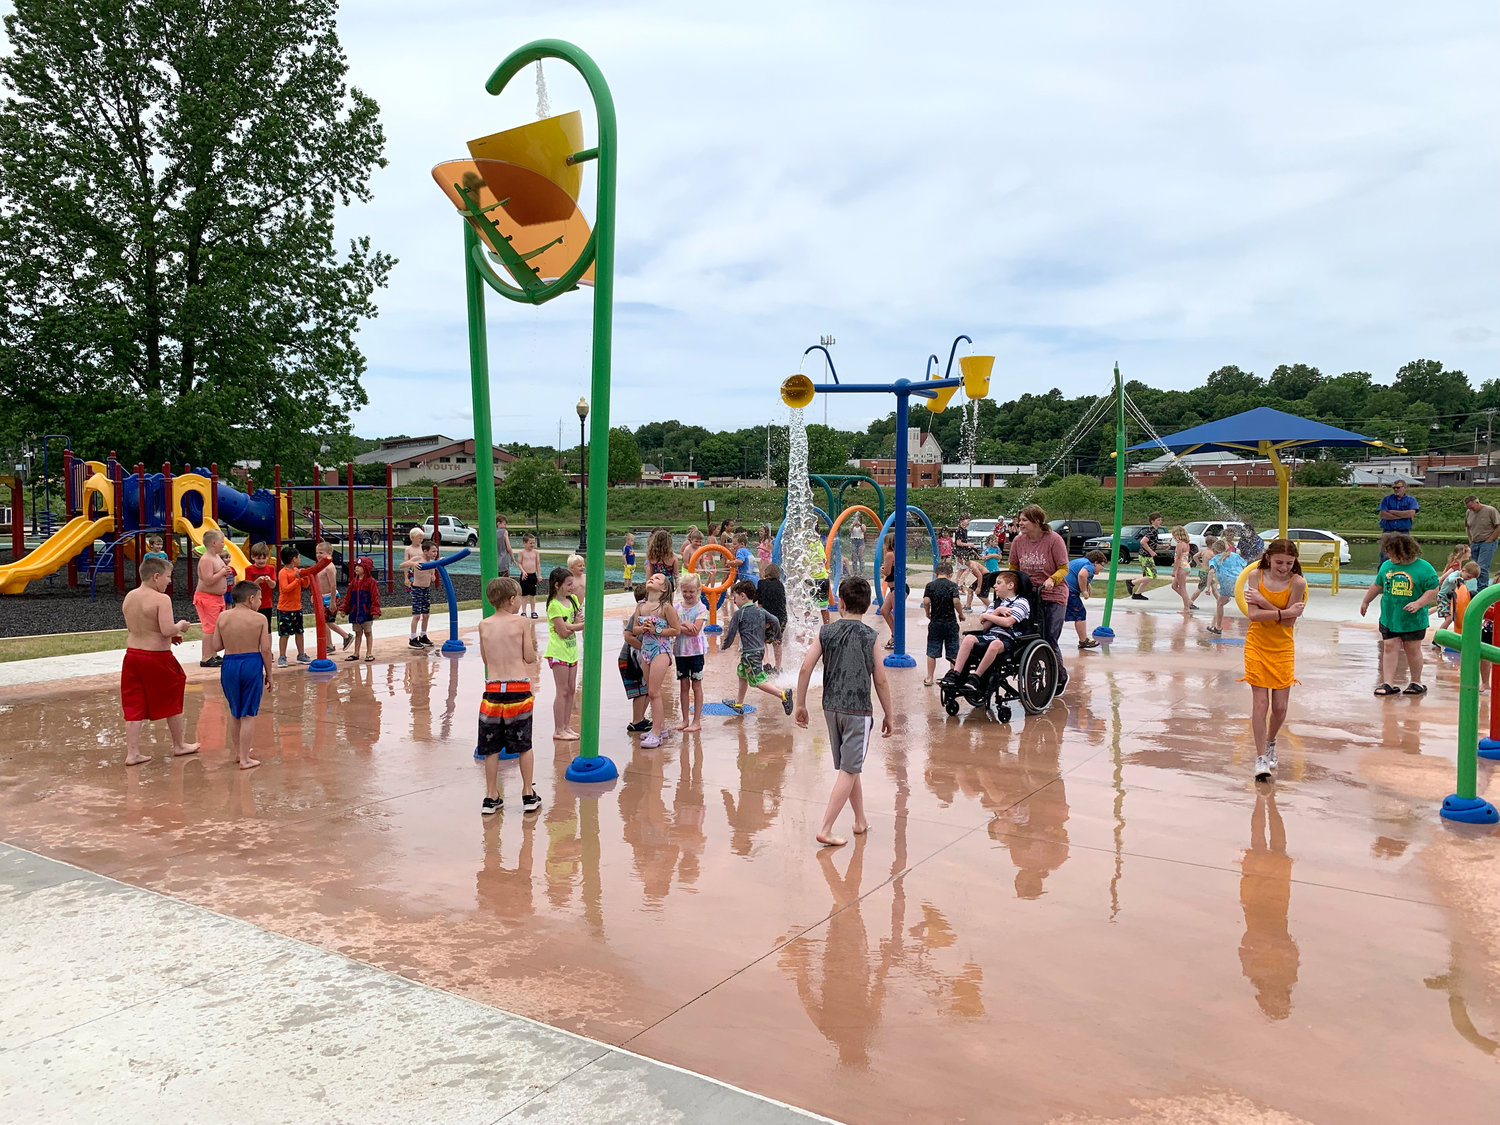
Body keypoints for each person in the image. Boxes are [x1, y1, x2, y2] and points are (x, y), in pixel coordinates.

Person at [794, 575, 893, 848]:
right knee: (849, 769)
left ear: (841, 602)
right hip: (858, 711)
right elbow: (881, 679)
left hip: (831, 709)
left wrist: (800, 703)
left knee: (850, 767)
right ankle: (825, 828)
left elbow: (805, 667)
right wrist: (889, 714)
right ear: (866, 605)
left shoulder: (826, 632)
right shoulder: (870, 636)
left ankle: (860, 820)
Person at [120, 555, 196, 766]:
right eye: (167, 577)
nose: (169, 582)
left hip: (133, 655)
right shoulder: (162, 599)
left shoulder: (130, 596)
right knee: (172, 693)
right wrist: (179, 626)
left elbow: (137, 628)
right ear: (156, 577)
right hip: (157, 658)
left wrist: (169, 636)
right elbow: (165, 629)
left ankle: (132, 753)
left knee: (133, 702)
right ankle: (179, 745)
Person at [1242, 539, 1307, 781]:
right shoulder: (1255, 576)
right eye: (1279, 562)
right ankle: (1260, 758)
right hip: (1257, 644)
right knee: (1260, 704)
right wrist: (1282, 612)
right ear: (1269, 557)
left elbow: (1289, 622)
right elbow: (1253, 615)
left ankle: (1270, 742)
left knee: (1280, 708)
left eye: (1289, 563)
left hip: (1282, 647)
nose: (1284, 567)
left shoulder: (1297, 582)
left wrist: (1267, 603)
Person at [476, 576, 541, 815]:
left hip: (493, 690)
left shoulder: (484, 624)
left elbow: (485, 659)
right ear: (512, 599)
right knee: (524, 744)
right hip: (518, 689)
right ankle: (527, 793)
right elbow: (529, 657)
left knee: (490, 746)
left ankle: (491, 796)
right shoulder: (521, 622)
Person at [1361, 532, 1438, 698]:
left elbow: (1433, 588)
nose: (1388, 556)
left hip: (1413, 620)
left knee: (1412, 649)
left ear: (1404, 551)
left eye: (1391, 552)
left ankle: (1416, 681)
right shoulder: (1387, 566)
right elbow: (1377, 585)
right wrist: (1366, 601)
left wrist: (1419, 603)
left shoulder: (1424, 568)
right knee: (1389, 647)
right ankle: (1388, 682)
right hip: (1390, 616)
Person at [208, 580, 273, 770]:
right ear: (251, 599)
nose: (260, 602)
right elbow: (266, 650)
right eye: (260, 599)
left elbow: (216, 646)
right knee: (249, 714)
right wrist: (269, 674)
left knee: (235, 712)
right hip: (251, 663)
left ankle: (238, 753)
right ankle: (245, 759)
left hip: (229, 664)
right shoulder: (259, 619)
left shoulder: (222, 617)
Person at [1008, 504, 1071, 692]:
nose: (1020, 524)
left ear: (1037, 521)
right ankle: (1031, 670)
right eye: (1019, 520)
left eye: (1024, 520)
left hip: (1054, 594)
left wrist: (1052, 579)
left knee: (1049, 637)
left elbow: (1064, 568)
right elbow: (1014, 568)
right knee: (1027, 635)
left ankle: (1059, 676)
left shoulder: (1054, 540)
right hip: (1029, 594)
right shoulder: (1018, 542)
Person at [944, 569, 1030, 688]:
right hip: (991, 635)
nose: (994, 586)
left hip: (1011, 639)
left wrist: (986, 616)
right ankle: (955, 674)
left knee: (995, 644)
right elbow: (985, 625)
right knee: (969, 638)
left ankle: (976, 677)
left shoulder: (1022, 602)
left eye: (999, 583)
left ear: (1010, 585)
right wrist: (997, 611)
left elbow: (1008, 622)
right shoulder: (995, 604)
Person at [720, 579, 793, 716]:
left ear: (742, 596)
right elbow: (776, 620)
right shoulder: (761, 611)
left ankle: (782, 694)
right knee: (742, 674)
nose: (734, 602)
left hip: (749, 653)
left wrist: (725, 645)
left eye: (734, 598)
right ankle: (738, 704)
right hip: (759, 651)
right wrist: (777, 636)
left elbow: (731, 633)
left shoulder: (739, 613)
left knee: (757, 681)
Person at [633, 571, 682, 748]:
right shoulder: (641, 606)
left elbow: (676, 630)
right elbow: (634, 629)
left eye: (657, 579)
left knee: (654, 692)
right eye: (651, 577)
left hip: (660, 650)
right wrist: (644, 628)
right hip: (645, 650)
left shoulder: (666, 608)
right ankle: (658, 727)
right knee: (650, 690)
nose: (651, 579)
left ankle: (656, 732)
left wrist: (657, 631)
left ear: (663, 588)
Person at [545, 566, 581, 741]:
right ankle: (558, 729)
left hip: (571, 651)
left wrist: (572, 625)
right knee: (562, 690)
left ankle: (566, 726)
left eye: (572, 584)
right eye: (568, 584)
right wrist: (577, 626)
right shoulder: (553, 606)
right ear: (557, 585)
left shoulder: (573, 599)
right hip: (558, 651)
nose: (572, 587)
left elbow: (575, 622)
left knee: (571, 689)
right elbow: (562, 632)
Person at [194, 529, 235, 667]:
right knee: (209, 628)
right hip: (207, 598)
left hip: (218, 597)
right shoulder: (206, 559)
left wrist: (226, 571)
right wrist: (222, 572)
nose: (224, 544)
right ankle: (206, 657)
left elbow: (219, 572)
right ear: (213, 543)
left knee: (216, 627)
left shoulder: (217, 557)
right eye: (222, 541)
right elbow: (208, 580)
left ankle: (213, 654)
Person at [674, 573, 709, 733]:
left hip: (696, 652)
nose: (688, 595)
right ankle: (685, 719)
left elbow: (696, 631)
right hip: (680, 652)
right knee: (683, 685)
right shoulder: (676, 608)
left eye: (691, 591)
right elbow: (673, 629)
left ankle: (696, 721)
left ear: (698, 591)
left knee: (696, 685)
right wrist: (686, 624)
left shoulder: (701, 608)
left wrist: (680, 626)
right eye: (685, 591)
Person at [921, 560, 965, 685]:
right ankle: (954, 677)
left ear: (935, 574)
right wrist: (961, 614)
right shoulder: (952, 585)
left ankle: (929, 677)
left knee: (932, 651)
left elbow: (926, 601)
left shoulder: (930, 585)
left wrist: (927, 613)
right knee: (954, 651)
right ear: (950, 574)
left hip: (936, 623)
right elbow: (956, 602)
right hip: (950, 623)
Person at [620, 583, 651, 735]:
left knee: (647, 689)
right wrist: (643, 648)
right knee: (639, 691)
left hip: (641, 658)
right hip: (631, 659)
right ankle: (636, 721)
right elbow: (628, 636)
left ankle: (640, 718)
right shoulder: (638, 615)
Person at [339, 555, 382, 662]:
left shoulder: (371, 582)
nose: (356, 568)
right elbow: (348, 596)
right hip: (355, 613)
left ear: (366, 568)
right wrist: (344, 608)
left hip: (366, 613)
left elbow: (375, 597)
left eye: (359, 566)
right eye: (356, 566)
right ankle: (356, 653)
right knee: (358, 633)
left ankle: (369, 653)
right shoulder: (353, 582)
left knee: (368, 632)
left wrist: (375, 611)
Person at [314, 540, 354, 652]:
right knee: (324, 622)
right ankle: (329, 645)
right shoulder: (319, 566)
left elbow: (333, 585)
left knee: (329, 622)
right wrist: (315, 595)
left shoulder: (329, 567)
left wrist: (332, 601)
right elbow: (318, 583)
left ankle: (346, 636)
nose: (318, 555)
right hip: (322, 597)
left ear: (329, 554)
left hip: (330, 597)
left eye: (321, 553)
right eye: (317, 552)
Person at [275, 545, 311, 666]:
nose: (299, 559)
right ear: (293, 559)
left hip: (297, 608)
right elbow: (285, 589)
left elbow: (305, 585)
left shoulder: (296, 571)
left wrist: (305, 576)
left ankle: (301, 654)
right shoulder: (283, 573)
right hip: (285, 609)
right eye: (298, 557)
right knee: (284, 634)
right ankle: (282, 656)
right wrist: (296, 580)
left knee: (299, 632)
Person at [401, 527, 435, 648]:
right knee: (417, 613)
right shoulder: (409, 549)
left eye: (422, 538)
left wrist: (433, 574)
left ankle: (423, 635)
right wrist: (406, 577)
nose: (421, 540)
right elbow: (404, 564)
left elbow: (431, 563)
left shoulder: (424, 549)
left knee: (426, 613)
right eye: (419, 537)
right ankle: (413, 637)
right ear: (412, 538)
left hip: (425, 580)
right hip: (414, 576)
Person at [1206, 538, 1246, 637]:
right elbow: (1245, 567)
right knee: (1250, 604)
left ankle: (1218, 627)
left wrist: (1207, 587)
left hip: (1227, 584)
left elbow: (1211, 572)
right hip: (1240, 583)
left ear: (1214, 551)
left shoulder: (1215, 559)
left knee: (1220, 603)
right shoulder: (1236, 556)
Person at [1066, 550, 1107, 648]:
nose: (1102, 568)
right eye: (1102, 565)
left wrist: (1087, 585)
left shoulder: (1082, 562)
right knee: (1080, 613)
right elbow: (1082, 574)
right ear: (1096, 562)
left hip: (1064, 589)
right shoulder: (1089, 565)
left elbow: (1079, 574)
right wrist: (1084, 591)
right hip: (1068, 591)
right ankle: (1083, 640)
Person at [1435, 546, 1474, 643]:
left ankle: (1441, 637)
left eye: (1470, 578)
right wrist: (1457, 580)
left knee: (1452, 618)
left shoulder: (1458, 566)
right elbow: (1449, 578)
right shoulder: (1456, 570)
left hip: (1448, 598)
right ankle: (1437, 638)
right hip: (1443, 597)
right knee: (1449, 619)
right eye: (1468, 577)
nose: (1467, 579)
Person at [756, 562, 789, 672]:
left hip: (767, 617)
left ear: (766, 573)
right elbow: (783, 603)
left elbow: (759, 602)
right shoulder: (780, 585)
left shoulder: (761, 583)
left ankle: (766, 663)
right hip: (781, 618)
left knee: (762, 640)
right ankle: (778, 667)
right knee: (777, 642)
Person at [1125, 513, 1164, 599]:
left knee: (1147, 576)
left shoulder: (1154, 531)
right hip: (1145, 556)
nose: (1160, 521)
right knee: (1152, 575)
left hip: (1145, 556)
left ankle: (1138, 594)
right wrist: (1151, 552)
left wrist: (1162, 547)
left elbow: (1151, 543)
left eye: (1160, 520)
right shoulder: (1152, 531)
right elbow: (1143, 542)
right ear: (1152, 521)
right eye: (1158, 520)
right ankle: (1131, 583)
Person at [1464, 495, 1499, 588]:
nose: (1471, 509)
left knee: (1482, 567)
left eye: (1472, 507)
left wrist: (1490, 540)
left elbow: (1498, 526)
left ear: (1477, 502)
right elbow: (1467, 527)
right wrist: (1470, 540)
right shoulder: (1469, 512)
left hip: (1487, 542)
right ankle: (1475, 588)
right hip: (1475, 542)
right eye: (1469, 508)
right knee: (1475, 568)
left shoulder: (1490, 510)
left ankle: (1482, 590)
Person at [244, 542, 278, 635]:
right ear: (253, 557)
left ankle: (267, 648)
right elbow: (248, 587)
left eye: (264, 558)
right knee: (253, 627)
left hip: (267, 603)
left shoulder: (270, 568)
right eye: (258, 558)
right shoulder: (249, 569)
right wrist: (258, 581)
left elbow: (273, 585)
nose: (261, 561)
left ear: (268, 557)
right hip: (253, 604)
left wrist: (269, 581)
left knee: (267, 627)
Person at [1169, 526, 1194, 612]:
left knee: (1182, 588)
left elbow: (1178, 558)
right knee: (1174, 586)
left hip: (1181, 567)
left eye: (1174, 536)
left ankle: (1186, 608)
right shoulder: (1186, 544)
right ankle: (1188, 601)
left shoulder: (1180, 545)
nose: (1173, 538)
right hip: (1185, 565)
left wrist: (1174, 570)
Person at [878, 531, 897, 647]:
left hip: (897, 589)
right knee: (884, 610)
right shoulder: (896, 553)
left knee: (897, 614)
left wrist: (882, 569)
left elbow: (887, 572)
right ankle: (895, 634)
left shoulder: (890, 554)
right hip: (893, 589)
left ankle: (896, 638)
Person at [517, 534, 541, 618]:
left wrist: (539, 575)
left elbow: (538, 564)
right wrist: (523, 571)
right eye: (530, 543)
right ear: (525, 543)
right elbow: (519, 563)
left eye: (533, 543)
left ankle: (533, 611)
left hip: (533, 575)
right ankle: (523, 611)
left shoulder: (536, 552)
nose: (532, 545)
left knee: (532, 595)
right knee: (524, 595)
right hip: (525, 575)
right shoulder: (521, 552)